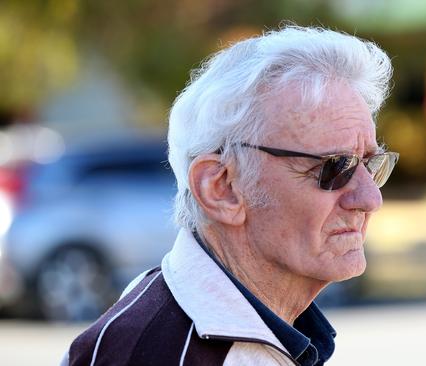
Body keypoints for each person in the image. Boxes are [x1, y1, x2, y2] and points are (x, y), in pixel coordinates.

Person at [63, 25, 398, 366]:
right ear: (221, 189)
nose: (370, 199)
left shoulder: (235, 331)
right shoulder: (161, 353)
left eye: (370, 164)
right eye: (335, 167)